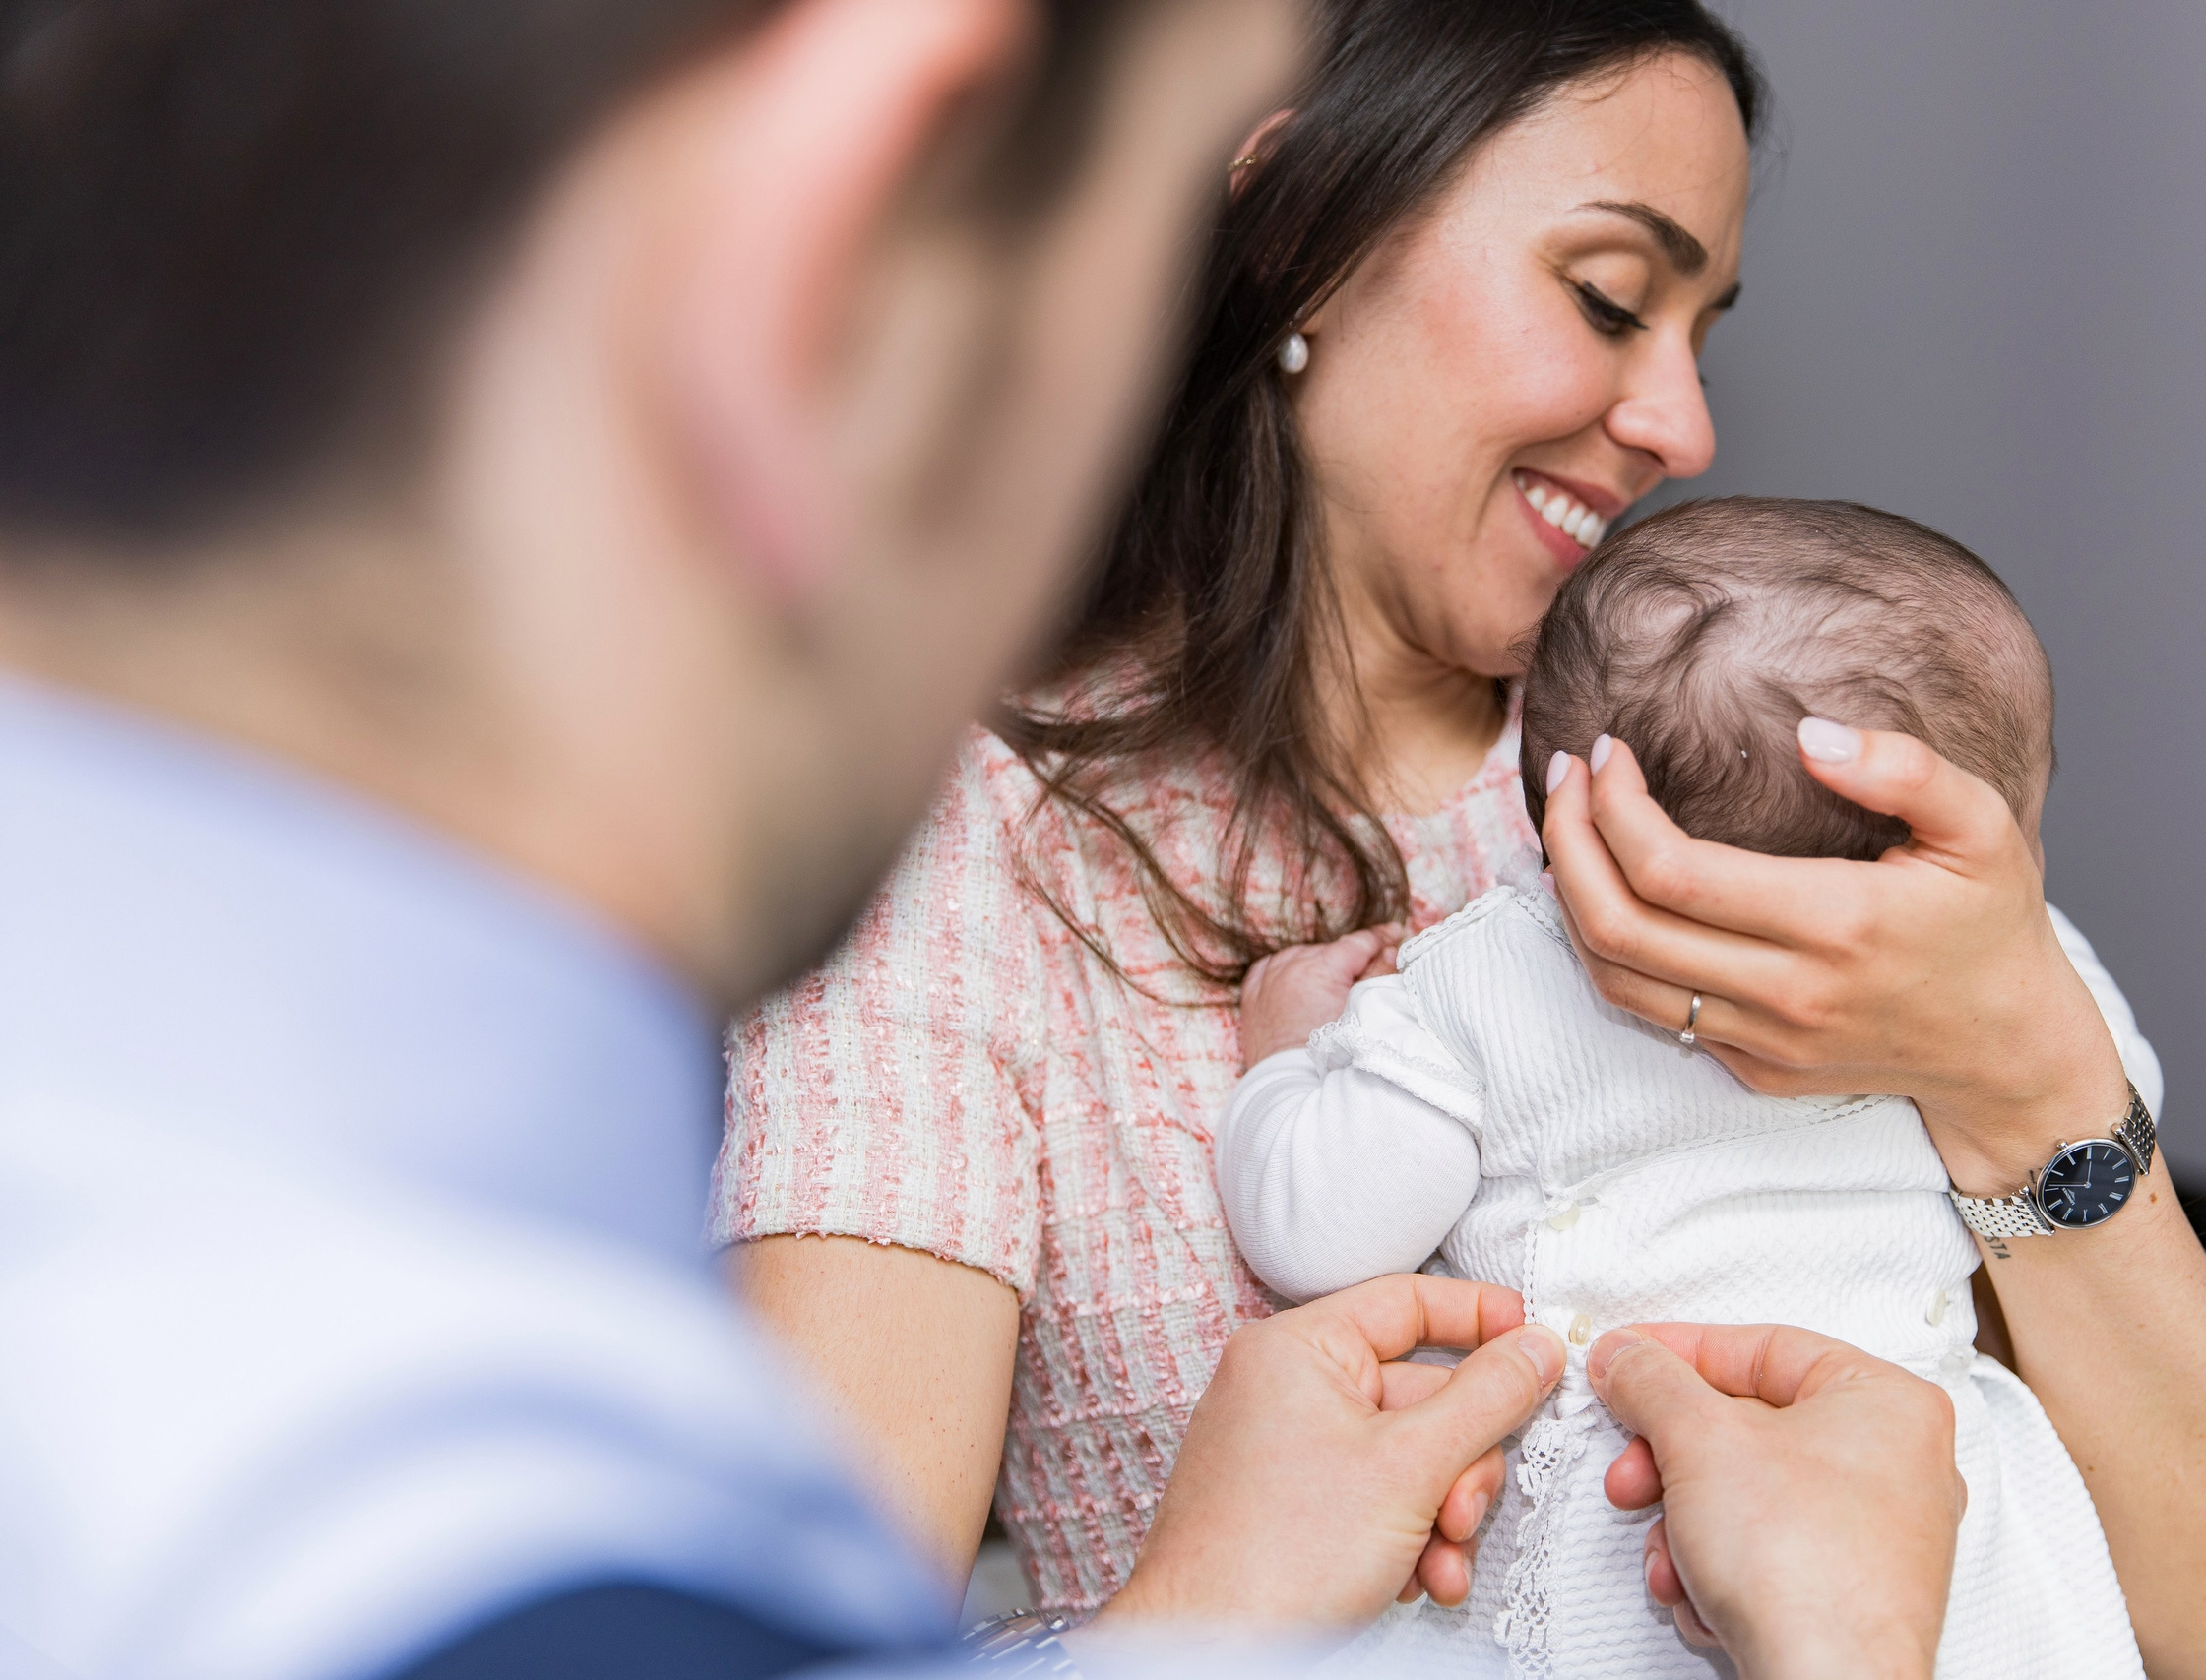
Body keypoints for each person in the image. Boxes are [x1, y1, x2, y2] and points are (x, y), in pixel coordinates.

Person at [0, 1, 1988, 1678]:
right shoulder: (488, 1518)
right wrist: (1205, 1610)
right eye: (1146, 271)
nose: (1679, 430)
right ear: (827, 240)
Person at [719, 4, 2206, 1676]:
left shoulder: (1757, 791)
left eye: (1699, 331)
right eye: (1612, 297)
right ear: (1297, 239)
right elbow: (797, 1653)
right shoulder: (960, 844)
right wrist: (1203, 1609)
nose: (1685, 426)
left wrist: (2022, 1065)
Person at [1223, 498, 2149, 1677]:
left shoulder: (1486, 979)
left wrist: (1284, 1067)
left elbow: (1321, 1234)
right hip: (1925, 1535)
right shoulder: (2018, 982)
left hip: (1598, 1539)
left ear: (1561, 813)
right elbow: (2126, 1103)